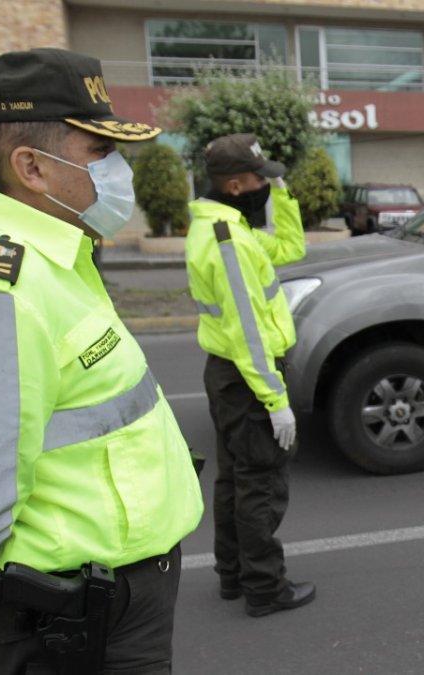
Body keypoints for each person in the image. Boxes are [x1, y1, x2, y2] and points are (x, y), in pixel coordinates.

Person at [0, 48, 203, 673]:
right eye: (99, 152)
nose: (119, 170)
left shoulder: (53, 259)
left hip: (114, 597)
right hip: (76, 620)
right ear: (32, 167)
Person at [185, 133, 313, 617]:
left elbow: (289, 247)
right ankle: (265, 587)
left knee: (235, 479)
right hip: (246, 377)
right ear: (236, 184)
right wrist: (275, 400)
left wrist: (281, 192)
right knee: (260, 482)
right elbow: (249, 333)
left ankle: (233, 576)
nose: (266, 183)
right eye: (261, 178)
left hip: (228, 375)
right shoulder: (227, 242)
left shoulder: (226, 226)